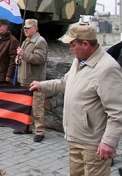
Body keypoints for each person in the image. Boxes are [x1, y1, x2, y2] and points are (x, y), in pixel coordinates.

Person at [30, 23, 122, 175]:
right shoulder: (79, 61)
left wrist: (108, 142)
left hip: (93, 145)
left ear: (85, 44)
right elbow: (65, 82)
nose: (70, 49)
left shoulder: (108, 68)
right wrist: (42, 85)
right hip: (74, 138)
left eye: (73, 45)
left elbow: (117, 111)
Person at [14, 19, 48, 142]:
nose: (25, 30)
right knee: (26, 105)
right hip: (24, 78)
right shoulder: (26, 41)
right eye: (25, 28)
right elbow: (22, 57)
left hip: (35, 80)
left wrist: (24, 55)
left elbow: (40, 59)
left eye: (28, 28)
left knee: (37, 106)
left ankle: (40, 131)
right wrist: (18, 60)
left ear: (35, 28)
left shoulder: (40, 41)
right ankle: (26, 127)